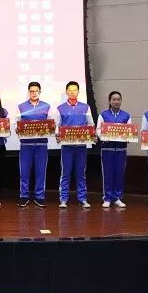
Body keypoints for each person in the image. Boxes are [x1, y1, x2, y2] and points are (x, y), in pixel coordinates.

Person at [54, 81, 95, 209]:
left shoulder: (85, 107)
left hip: (81, 146)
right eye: (70, 90)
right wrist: (57, 134)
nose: (72, 92)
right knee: (65, 173)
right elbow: (57, 125)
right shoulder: (60, 108)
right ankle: (63, 199)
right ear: (67, 92)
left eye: (75, 90)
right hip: (66, 147)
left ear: (78, 92)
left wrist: (91, 134)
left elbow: (91, 124)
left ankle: (82, 198)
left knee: (81, 173)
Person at [17, 81, 52, 207]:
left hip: (41, 145)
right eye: (31, 91)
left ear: (40, 92)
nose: (34, 93)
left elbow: (51, 125)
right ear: (28, 92)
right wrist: (18, 129)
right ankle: (24, 196)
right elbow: (17, 124)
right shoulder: (21, 107)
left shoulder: (47, 106)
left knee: (41, 171)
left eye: (36, 91)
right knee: (24, 172)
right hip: (26, 145)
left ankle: (39, 196)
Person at [96, 91, 131, 208]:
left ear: (121, 101)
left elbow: (129, 131)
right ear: (109, 101)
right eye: (114, 99)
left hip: (121, 149)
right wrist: (103, 137)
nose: (116, 101)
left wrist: (129, 137)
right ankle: (107, 198)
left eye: (118, 99)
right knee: (107, 173)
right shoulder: (103, 115)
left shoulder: (126, 116)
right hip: (107, 149)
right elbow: (98, 129)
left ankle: (117, 198)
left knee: (119, 173)